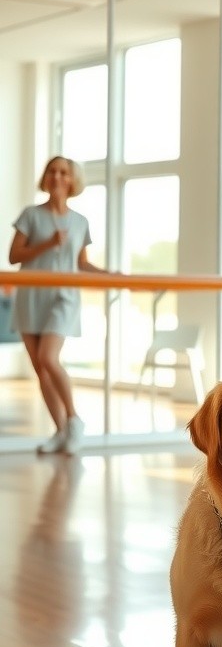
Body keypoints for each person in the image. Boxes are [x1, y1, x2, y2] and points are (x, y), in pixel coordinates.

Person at [9, 155, 106, 455]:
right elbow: (14, 256)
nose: (57, 176)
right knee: (41, 369)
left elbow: (81, 264)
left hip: (63, 297)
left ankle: (74, 419)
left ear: (72, 179)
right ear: (46, 177)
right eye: (52, 171)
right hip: (30, 296)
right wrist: (48, 244)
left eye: (64, 172)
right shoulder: (30, 215)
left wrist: (109, 275)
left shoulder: (80, 222)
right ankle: (60, 431)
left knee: (49, 358)